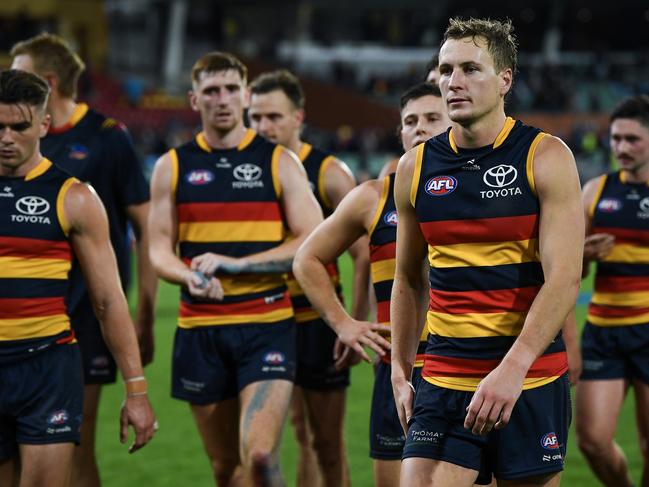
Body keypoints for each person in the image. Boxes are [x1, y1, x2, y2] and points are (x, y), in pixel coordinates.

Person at [149, 51, 368, 486]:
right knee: (226, 468)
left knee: (265, 454)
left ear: (244, 94)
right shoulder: (171, 166)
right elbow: (157, 249)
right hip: (200, 331)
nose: (223, 99)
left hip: (266, 325)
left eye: (231, 89)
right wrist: (186, 274)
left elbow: (310, 245)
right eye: (212, 91)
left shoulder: (281, 162)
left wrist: (236, 265)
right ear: (195, 100)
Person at [390, 18, 584, 486]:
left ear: (505, 80)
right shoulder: (414, 168)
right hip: (444, 380)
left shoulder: (545, 156)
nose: (453, 82)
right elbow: (409, 279)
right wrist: (399, 371)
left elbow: (564, 279)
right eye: (445, 69)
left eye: (471, 69)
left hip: (528, 380)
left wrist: (512, 370)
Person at [10, 33, 157, 486]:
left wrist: (145, 312)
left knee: (76, 447)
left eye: (20, 73)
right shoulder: (13, 143)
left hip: (82, 320)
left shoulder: (107, 140)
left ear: (48, 84)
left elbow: (145, 225)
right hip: (20, 319)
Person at [293, 82, 450, 487]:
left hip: (463, 367)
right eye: (410, 122)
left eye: (433, 118)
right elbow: (307, 259)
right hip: (396, 369)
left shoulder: (489, 192)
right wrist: (345, 322)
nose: (420, 128)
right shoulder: (372, 198)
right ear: (399, 133)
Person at [248, 69, 369, 487]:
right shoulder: (248, 173)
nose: (263, 127)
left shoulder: (328, 173)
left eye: (273, 117)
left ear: (298, 117)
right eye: (256, 117)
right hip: (267, 322)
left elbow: (364, 253)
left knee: (327, 442)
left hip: (318, 323)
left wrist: (351, 321)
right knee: (295, 435)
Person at [576, 95, 649, 487]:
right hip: (603, 330)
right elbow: (577, 271)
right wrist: (583, 254)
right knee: (592, 441)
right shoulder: (596, 191)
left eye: (632, 139)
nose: (621, 147)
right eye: (616, 139)